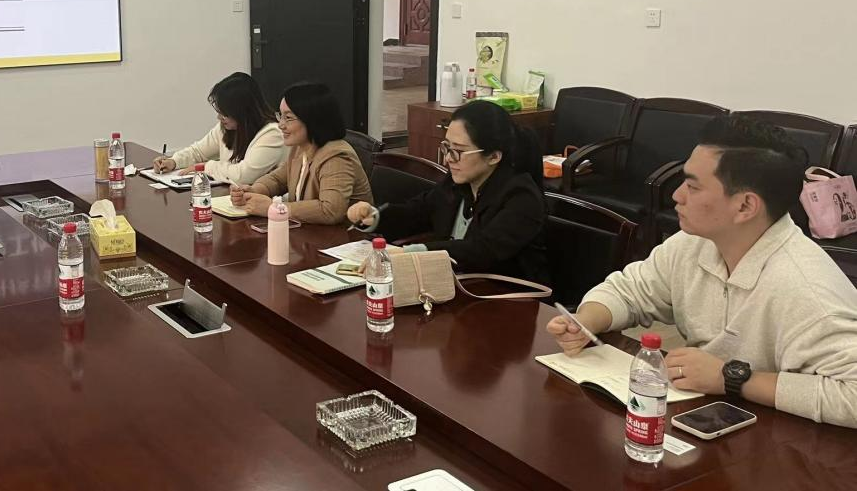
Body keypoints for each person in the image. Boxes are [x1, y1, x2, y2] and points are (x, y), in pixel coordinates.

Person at [546, 115, 857, 428]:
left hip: (789, 442)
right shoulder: (696, 243)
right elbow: (631, 290)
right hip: (712, 420)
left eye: (693, 186)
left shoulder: (806, 290)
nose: (677, 195)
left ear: (745, 207)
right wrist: (587, 321)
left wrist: (731, 378)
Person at [347, 99, 549, 284]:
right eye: (447, 147)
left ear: (494, 156)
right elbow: (417, 212)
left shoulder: (522, 197)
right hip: (454, 287)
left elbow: (482, 250)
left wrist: (414, 253)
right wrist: (375, 217)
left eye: (458, 151)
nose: (448, 159)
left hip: (507, 299)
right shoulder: (457, 184)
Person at [230, 82, 373, 225]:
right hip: (309, 232)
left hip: (342, 236)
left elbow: (330, 211)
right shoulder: (300, 148)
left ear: (312, 119)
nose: (280, 125)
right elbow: (277, 179)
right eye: (281, 116)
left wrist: (273, 208)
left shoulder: (336, 157)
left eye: (288, 118)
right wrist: (254, 190)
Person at [151, 72, 285, 184]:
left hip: (265, 203)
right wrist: (173, 161)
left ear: (242, 112)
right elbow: (198, 152)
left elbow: (243, 176)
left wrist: (206, 166)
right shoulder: (227, 128)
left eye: (225, 113)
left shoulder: (273, 134)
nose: (219, 118)